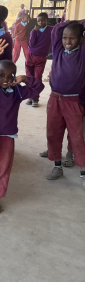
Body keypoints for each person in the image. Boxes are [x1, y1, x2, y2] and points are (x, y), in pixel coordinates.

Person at [0, 41, 44, 213]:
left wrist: (25, 79)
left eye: (10, 76)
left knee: (3, 168)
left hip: (7, 137)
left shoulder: (18, 91)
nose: (6, 79)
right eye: (1, 75)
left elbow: (38, 88)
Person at [45, 20, 85, 185]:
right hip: (55, 99)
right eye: (65, 38)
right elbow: (57, 30)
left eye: (72, 38)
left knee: (77, 137)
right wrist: (73, 22)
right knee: (53, 134)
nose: (67, 42)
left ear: (81, 39)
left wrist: (80, 24)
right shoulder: (58, 50)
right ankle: (57, 165)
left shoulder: (82, 53)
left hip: (74, 101)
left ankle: (83, 172)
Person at [25, 12, 53, 107]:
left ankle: (35, 98)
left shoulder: (51, 30)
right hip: (30, 55)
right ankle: (30, 96)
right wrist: (33, 31)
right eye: (39, 21)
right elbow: (31, 44)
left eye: (43, 20)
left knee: (37, 77)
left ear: (47, 21)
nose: (40, 22)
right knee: (29, 77)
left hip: (41, 57)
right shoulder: (35, 30)